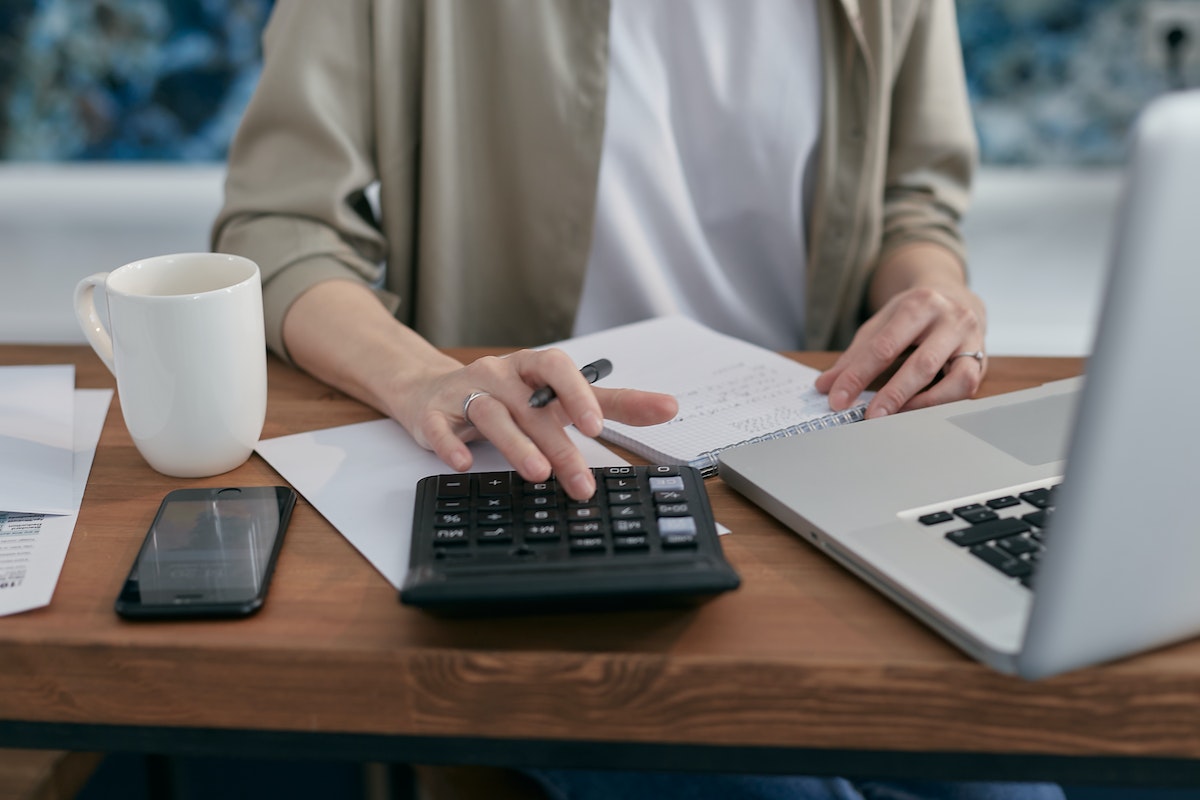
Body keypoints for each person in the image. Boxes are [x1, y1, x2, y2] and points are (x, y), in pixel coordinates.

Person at [213, 2, 1059, 798]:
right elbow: (281, 227)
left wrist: (936, 297)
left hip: (815, 460)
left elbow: (915, 204)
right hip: (546, 477)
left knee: (1002, 777)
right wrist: (424, 377)